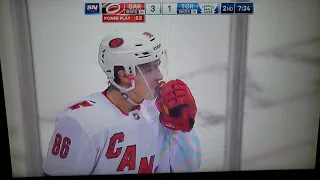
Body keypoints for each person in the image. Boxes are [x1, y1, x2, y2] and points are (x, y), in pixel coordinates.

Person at [43, 30, 201, 176]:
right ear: (125, 75)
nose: (159, 75)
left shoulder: (162, 108)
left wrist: (181, 126)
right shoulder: (80, 122)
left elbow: (189, 168)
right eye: (149, 69)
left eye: (158, 65)